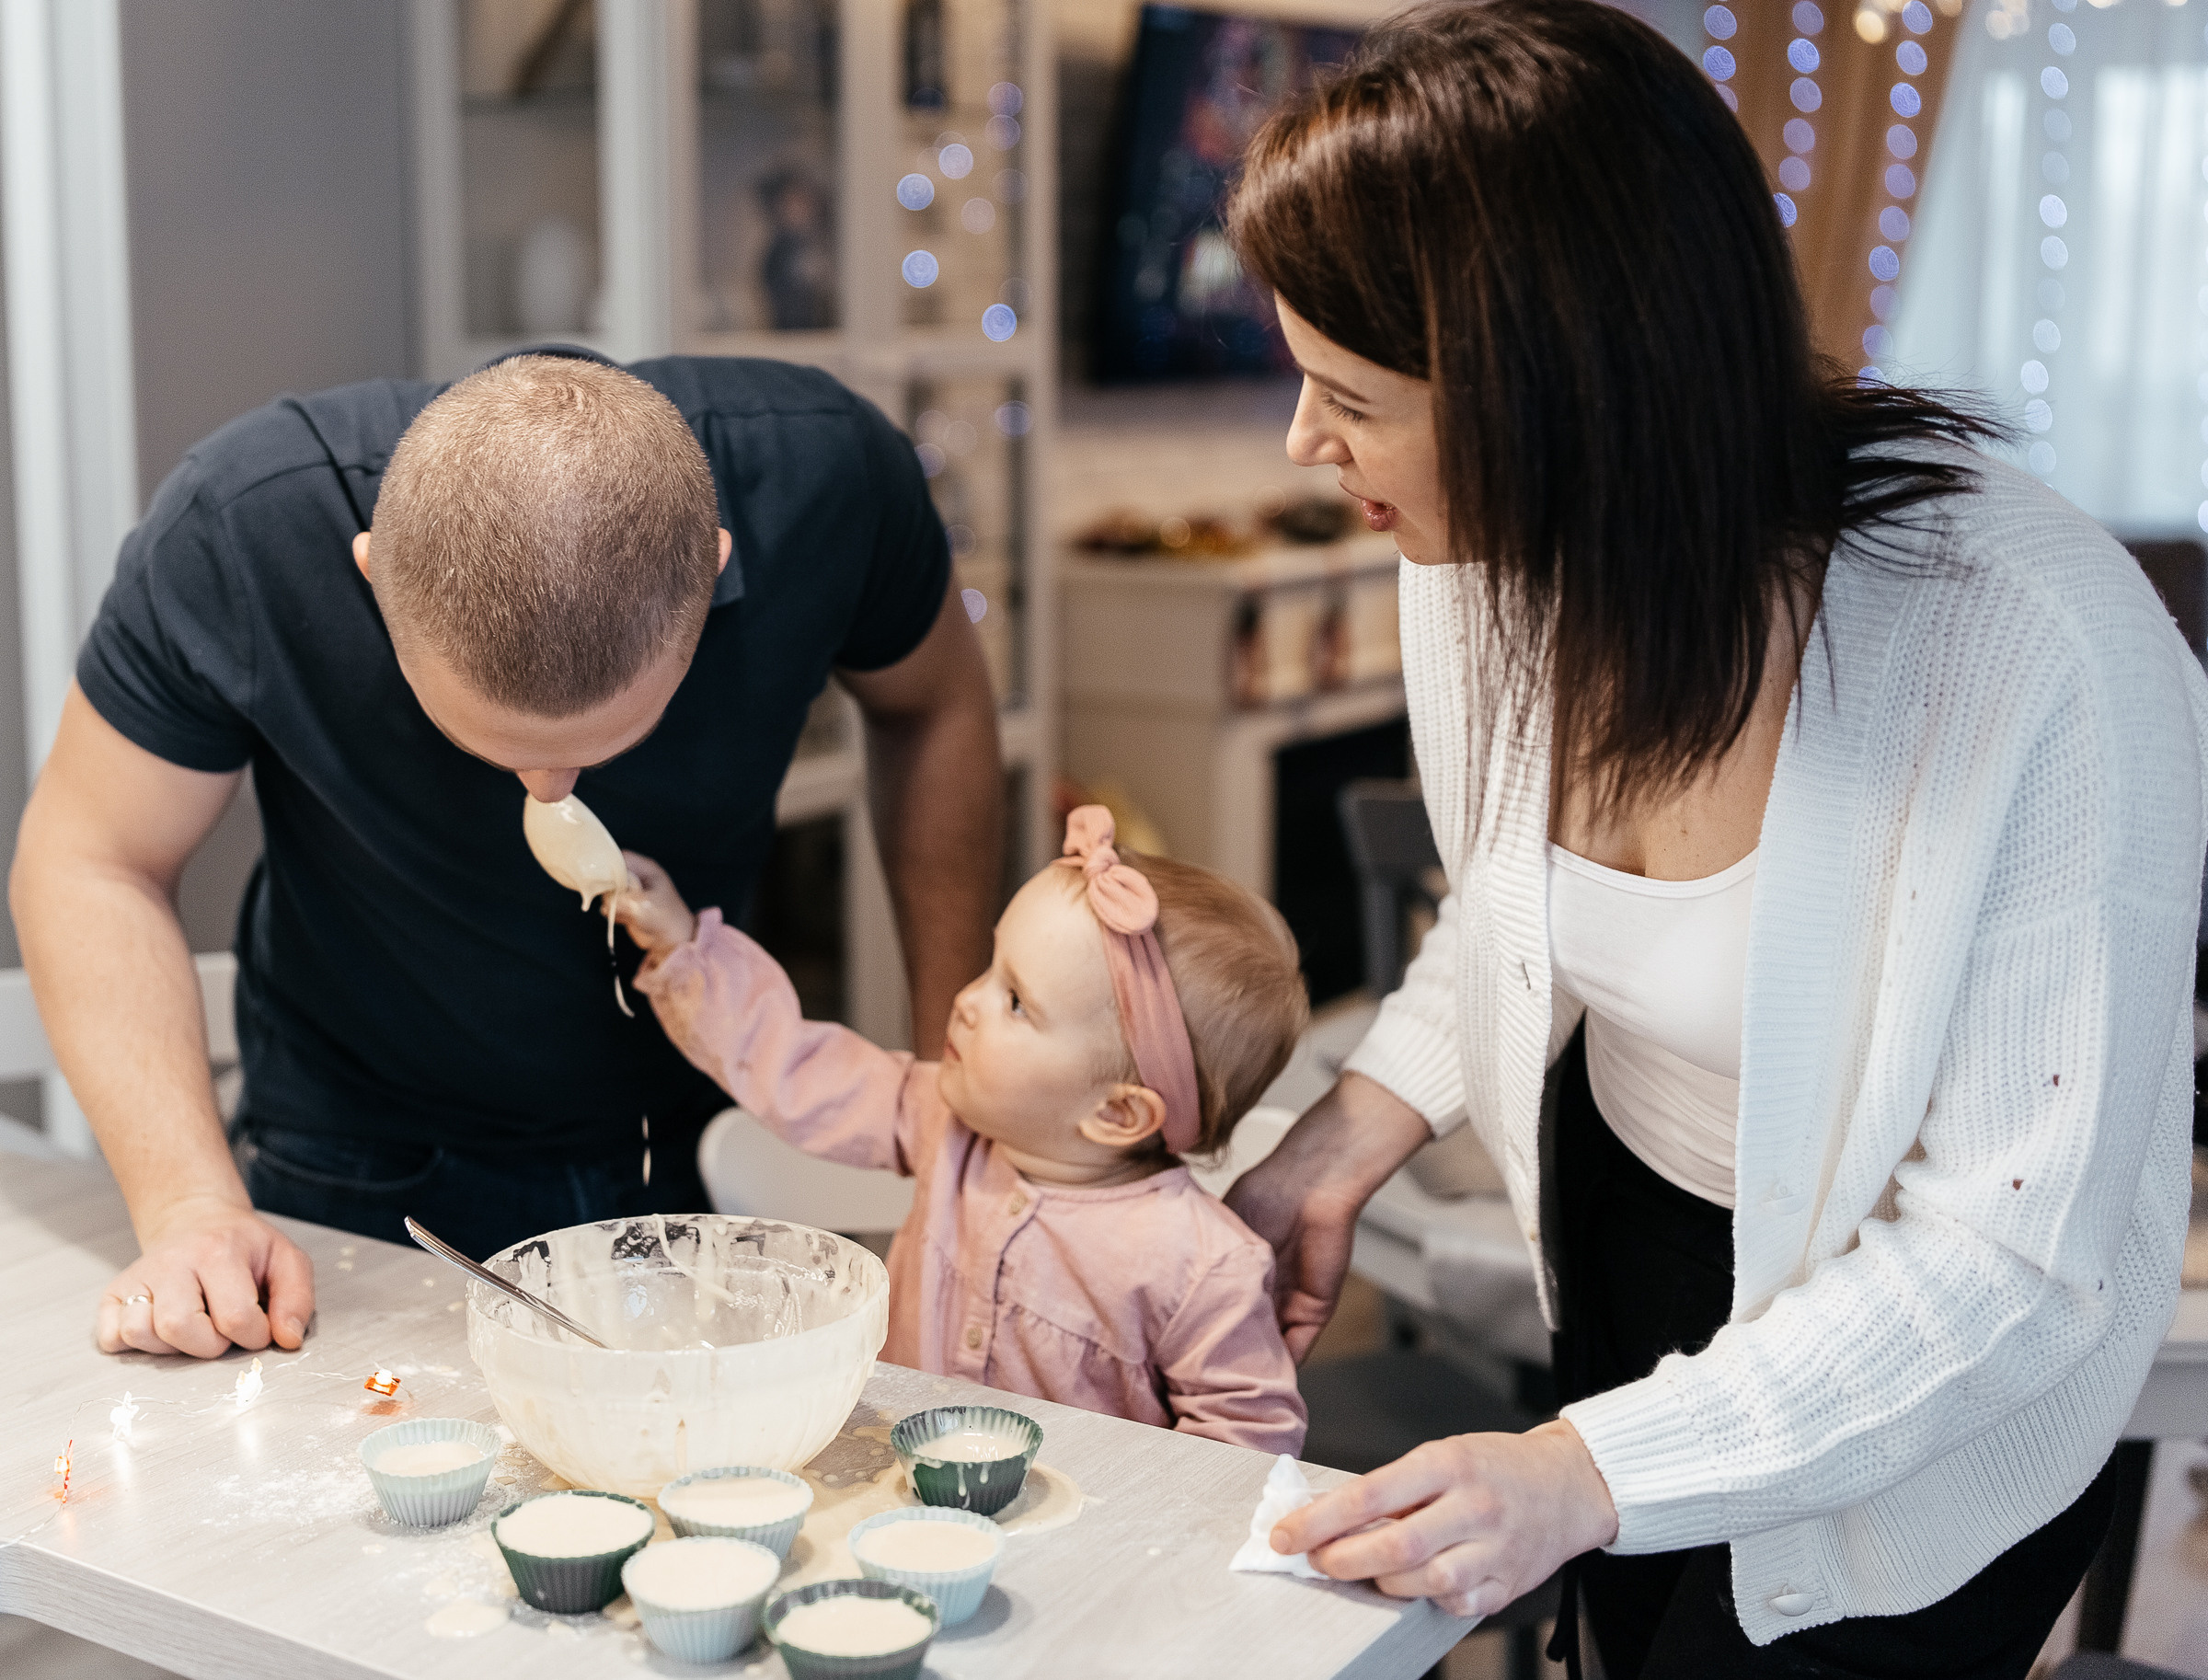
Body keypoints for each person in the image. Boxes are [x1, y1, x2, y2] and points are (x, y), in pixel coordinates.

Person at [1216, 5, 2208, 1675]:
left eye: (1348, 397)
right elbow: (1520, 911)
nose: (1304, 448)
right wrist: (1352, 1125)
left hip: (1938, 1372)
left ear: (1554, 396)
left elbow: (2007, 1255)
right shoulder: (1483, 557)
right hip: (1632, 1232)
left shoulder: (2039, 654)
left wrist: (1581, 1470)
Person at [12, 350, 1003, 1365]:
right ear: (371, 574)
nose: (551, 794)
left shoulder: (828, 478)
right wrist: (188, 1205)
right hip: (362, 1157)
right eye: (500, 747)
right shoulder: (243, 530)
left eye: (599, 744)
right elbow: (92, 855)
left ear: (710, 569)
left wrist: (961, 1095)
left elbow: (934, 706)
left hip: (707, 1118)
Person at [614, 805, 1310, 1452]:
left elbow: (1248, 1447)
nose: (966, 1000)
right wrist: (685, 952)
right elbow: (794, 1066)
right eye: (990, 965)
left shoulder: (1201, 1267)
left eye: (1015, 1002)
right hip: (902, 1505)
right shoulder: (942, 1122)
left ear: (1117, 1112)